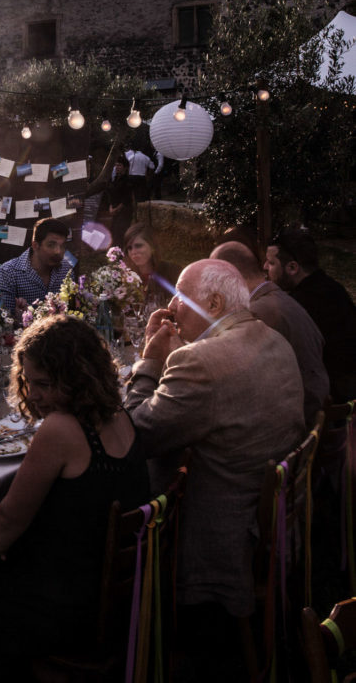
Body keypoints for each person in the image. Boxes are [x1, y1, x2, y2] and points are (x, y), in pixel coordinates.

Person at [125, 259, 304, 680]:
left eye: (181, 300)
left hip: (220, 536)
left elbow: (134, 437)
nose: (171, 309)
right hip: (273, 522)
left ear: (216, 302)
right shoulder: (274, 340)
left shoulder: (202, 362)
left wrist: (150, 362)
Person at [0, 315, 150, 681]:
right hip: (116, 599)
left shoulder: (61, 429)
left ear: (77, 378)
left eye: (43, 384)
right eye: (27, 381)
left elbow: (10, 517)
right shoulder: (119, 414)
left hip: (67, 611)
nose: (33, 394)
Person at [211, 241, 329, 425]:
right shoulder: (279, 298)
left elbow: (230, 378)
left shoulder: (258, 314)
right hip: (314, 406)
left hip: (297, 420)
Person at [264, 227, 356, 402]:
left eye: (271, 263)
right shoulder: (333, 288)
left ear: (292, 267)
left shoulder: (296, 306)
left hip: (333, 399)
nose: (265, 267)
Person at [0, 217, 74, 319]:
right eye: (51, 245)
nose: (58, 251)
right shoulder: (8, 273)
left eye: (62, 246)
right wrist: (18, 318)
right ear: (35, 245)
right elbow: (3, 320)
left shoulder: (66, 270)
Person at [123, 222, 182, 306]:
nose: (133, 252)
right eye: (129, 248)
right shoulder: (125, 277)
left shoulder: (172, 272)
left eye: (138, 246)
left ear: (152, 246)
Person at [124, 148, 155, 219]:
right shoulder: (145, 157)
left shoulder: (130, 156)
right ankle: (140, 212)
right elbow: (152, 166)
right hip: (141, 177)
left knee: (131, 194)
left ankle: (132, 212)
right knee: (141, 195)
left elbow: (126, 165)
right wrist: (148, 175)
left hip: (131, 177)